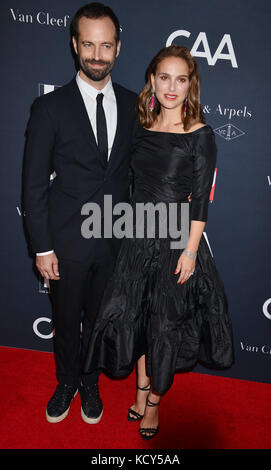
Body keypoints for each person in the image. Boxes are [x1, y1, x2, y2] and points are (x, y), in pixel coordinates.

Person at [83, 45, 234, 440]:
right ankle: (139, 391)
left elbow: (200, 201)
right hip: (137, 235)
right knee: (136, 319)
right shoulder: (142, 127)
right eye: (164, 77)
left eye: (181, 79)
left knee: (164, 325)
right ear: (152, 80)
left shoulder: (200, 134)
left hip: (175, 241)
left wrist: (189, 251)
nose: (172, 87)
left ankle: (152, 407)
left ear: (190, 85)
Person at [22, 3, 137, 424]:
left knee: (103, 321)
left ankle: (90, 382)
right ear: (75, 45)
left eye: (105, 45)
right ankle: (67, 381)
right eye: (88, 44)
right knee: (67, 320)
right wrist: (42, 247)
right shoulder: (49, 108)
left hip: (115, 242)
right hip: (65, 243)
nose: (96, 54)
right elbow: (33, 185)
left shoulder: (133, 104)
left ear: (118, 48)